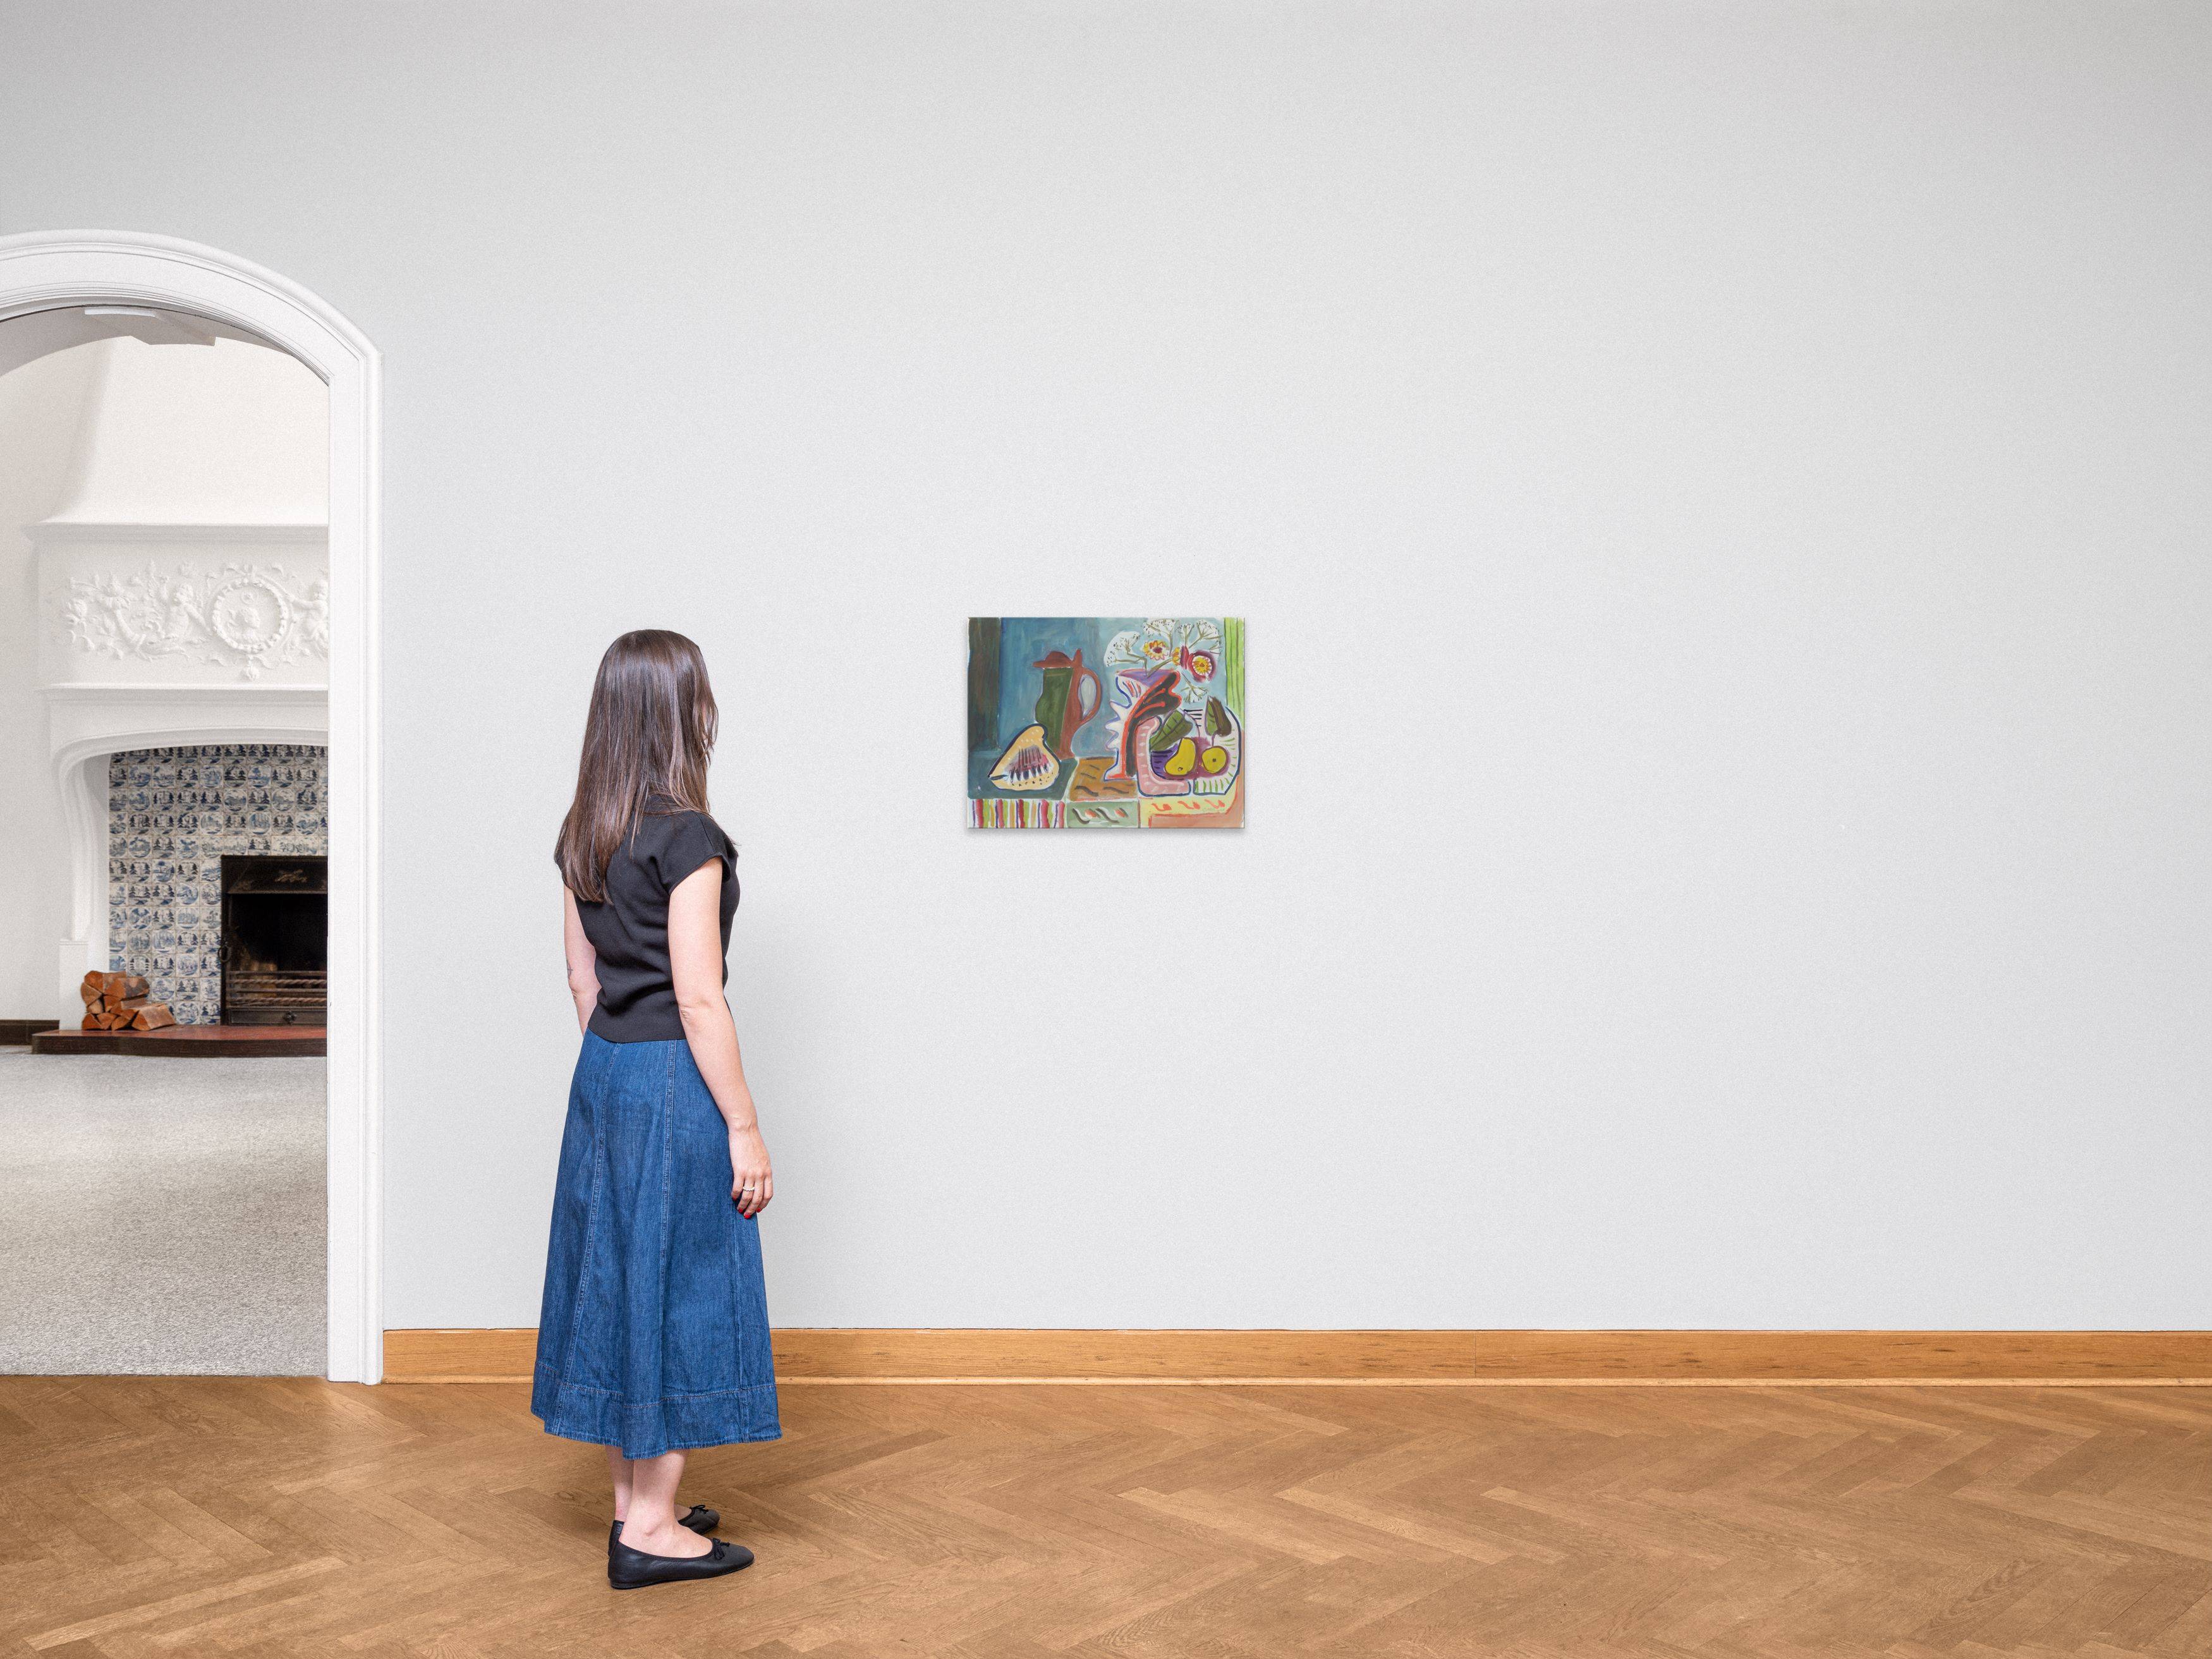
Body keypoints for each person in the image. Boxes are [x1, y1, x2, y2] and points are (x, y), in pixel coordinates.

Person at [534, 628, 779, 1590]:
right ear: (689, 713)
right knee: (680, 1285)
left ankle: (637, 1501)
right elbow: (699, 995)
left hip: (605, 1074)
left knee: (621, 1278)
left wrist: (615, 1075)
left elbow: (580, 978)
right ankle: (652, 1529)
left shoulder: (582, 830)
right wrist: (745, 1125)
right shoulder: (690, 839)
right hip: (674, 1076)